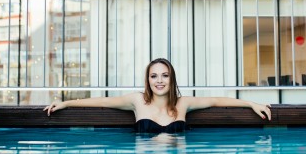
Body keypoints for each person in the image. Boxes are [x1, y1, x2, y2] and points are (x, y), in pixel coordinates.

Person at [43, 57, 272, 133]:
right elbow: (102, 101)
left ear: (171, 79)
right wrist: (66, 103)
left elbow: (217, 100)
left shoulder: (183, 103)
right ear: (148, 80)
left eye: (164, 75)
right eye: (154, 76)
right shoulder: (137, 101)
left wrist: (251, 104)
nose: (159, 80)